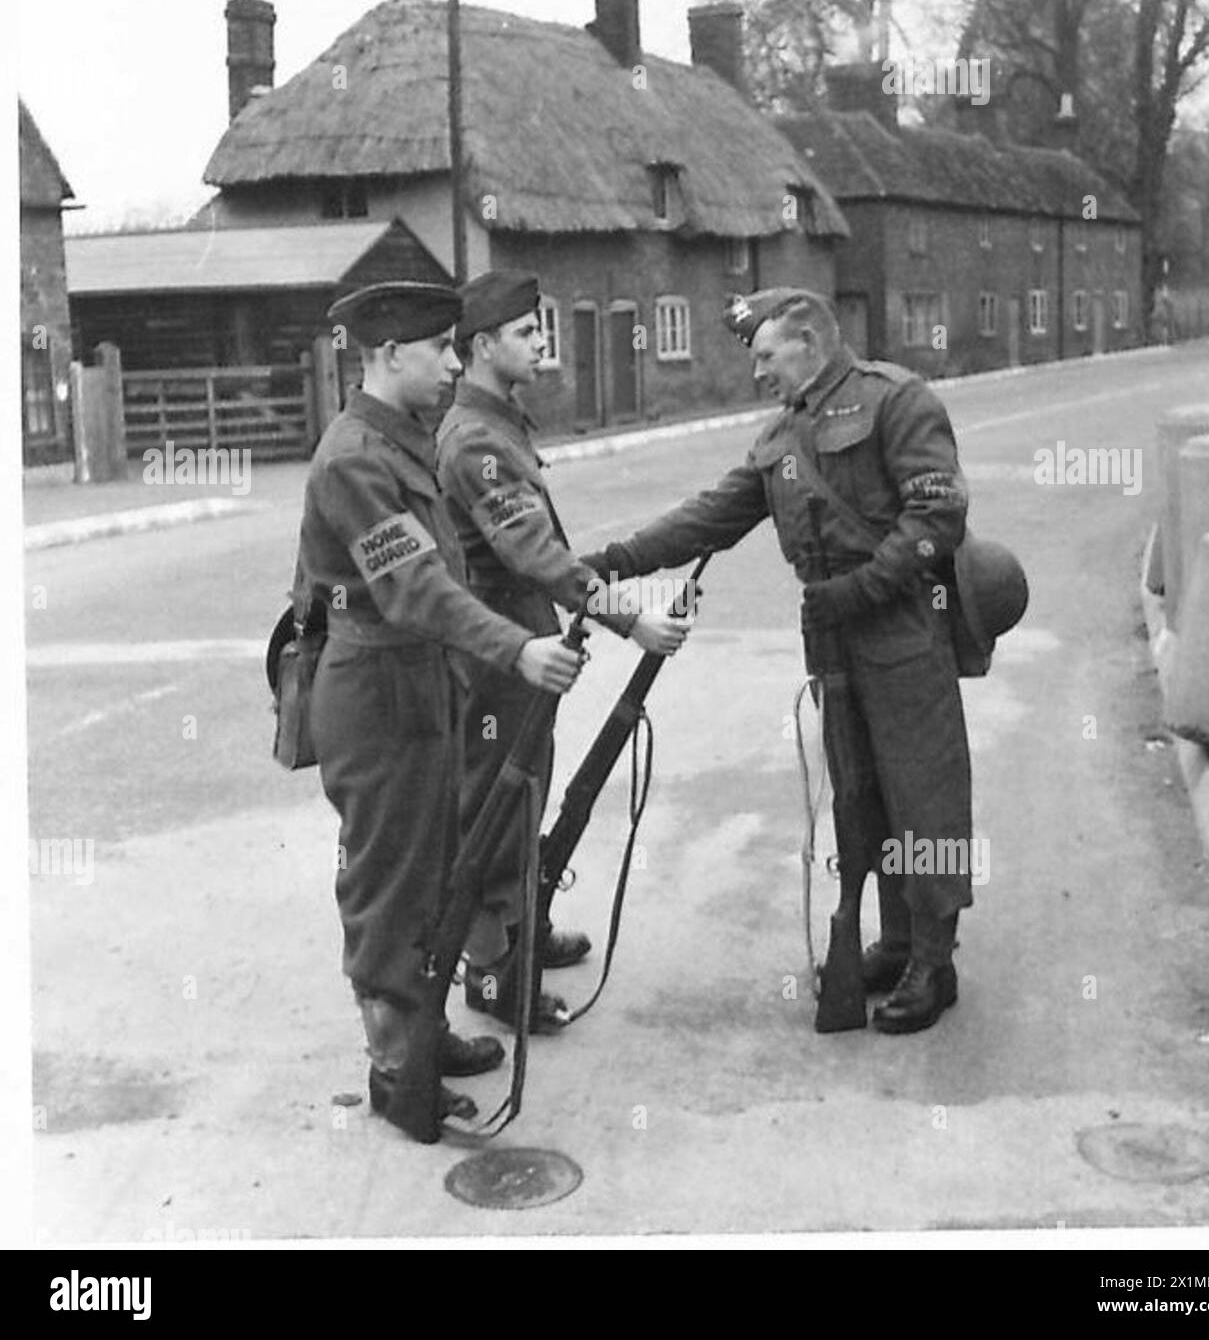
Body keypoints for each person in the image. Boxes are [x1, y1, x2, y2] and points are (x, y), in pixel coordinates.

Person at [586, 288, 973, 1034]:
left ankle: (935, 959)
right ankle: (894, 944)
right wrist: (617, 560)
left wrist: (861, 588)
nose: (757, 371)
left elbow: (938, 518)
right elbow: (715, 513)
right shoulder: (779, 437)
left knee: (921, 788)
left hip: (896, 628)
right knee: (862, 795)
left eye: (765, 356)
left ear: (811, 343)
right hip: (829, 635)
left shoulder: (896, 400)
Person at [296, 281, 584, 1122]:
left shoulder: (408, 441)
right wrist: (516, 647)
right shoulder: (355, 457)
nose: (457, 362)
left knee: (436, 866)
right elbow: (417, 589)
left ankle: (421, 1028)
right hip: (377, 690)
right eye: (442, 349)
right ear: (388, 355)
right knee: (388, 881)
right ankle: (395, 1071)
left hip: (424, 680)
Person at [436, 270, 691, 1032]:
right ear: (483, 346)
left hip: (515, 635)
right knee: (494, 800)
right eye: (526, 334)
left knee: (524, 791)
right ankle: (489, 968)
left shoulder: (498, 421)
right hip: (496, 645)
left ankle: (522, 929)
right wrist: (630, 621)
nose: (542, 344)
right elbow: (537, 554)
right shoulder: (476, 439)